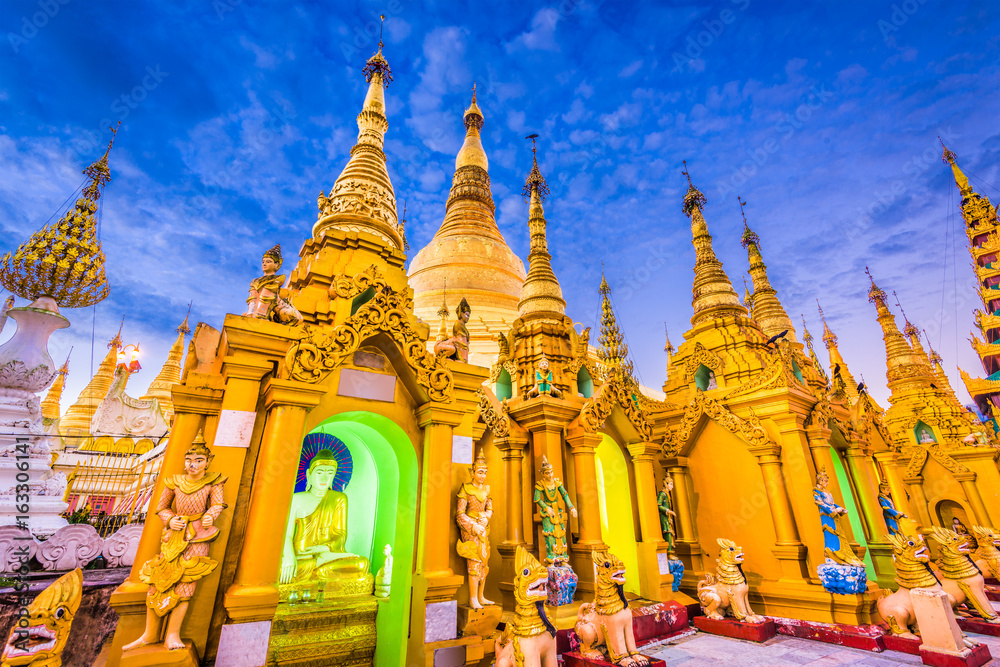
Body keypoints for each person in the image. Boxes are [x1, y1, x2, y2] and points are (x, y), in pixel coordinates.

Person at [124, 433, 227, 652]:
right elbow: (161, 507)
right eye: (189, 460)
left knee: (187, 583)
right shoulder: (174, 482)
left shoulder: (214, 481)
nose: (193, 465)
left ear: (208, 462)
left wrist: (210, 515)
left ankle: (172, 633)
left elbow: (218, 504)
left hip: (199, 534)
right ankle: (150, 634)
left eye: (199, 460)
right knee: (158, 580)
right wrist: (170, 519)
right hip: (174, 534)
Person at [279, 449, 370, 585]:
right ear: (309, 474)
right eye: (319, 472)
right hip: (302, 556)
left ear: (334, 476)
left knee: (361, 564)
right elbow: (286, 535)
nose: (324, 478)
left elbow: (340, 535)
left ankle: (322, 561)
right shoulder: (296, 499)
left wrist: (324, 548)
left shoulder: (339, 498)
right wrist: (288, 556)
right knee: (280, 571)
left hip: (328, 554)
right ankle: (320, 562)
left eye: (330, 473)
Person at [456, 448, 494, 608]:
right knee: (474, 562)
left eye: (484, 472)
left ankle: (481, 595)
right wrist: (473, 526)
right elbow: (460, 513)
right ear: (472, 473)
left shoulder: (486, 489)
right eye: (479, 472)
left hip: (484, 528)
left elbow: (490, 508)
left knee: (484, 561)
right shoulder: (465, 488)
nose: (482, 476)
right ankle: (472, 598)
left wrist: (487, 517)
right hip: (470, 529)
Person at [813, 467, 863, 566]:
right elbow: (819, 502)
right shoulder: (817, 491)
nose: (827, 483)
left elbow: (832, 503)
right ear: (820, 480)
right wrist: (833, 510)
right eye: (825, 481)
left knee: (839, 534)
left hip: (833, 515)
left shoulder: (827, 492)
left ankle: (841, 553)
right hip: (826, 515)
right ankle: (832, 552)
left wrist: (841, 509)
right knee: (831, 532)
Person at [244, 244, 302, 324]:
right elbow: (253, 298)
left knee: (287, 314)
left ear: (277, 265)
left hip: (273, 310)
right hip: (260, 309)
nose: (264, 264)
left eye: (268, 262)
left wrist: (259, 315)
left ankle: (261, 316)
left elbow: (265, 298)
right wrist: (250, 314)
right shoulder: (255, 281)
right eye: (263, 262)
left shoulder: (277, 279)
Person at [534, 455, 577, 565]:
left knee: (561, 534)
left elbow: (565, 495)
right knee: (550, 536)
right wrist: (546, 508)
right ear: (543, 474)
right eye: (547, 473)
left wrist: (571, 508)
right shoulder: (541, 485)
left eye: (551, 472)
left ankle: (563, 559)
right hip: (548, 513)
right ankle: (551, 559)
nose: (550, 475)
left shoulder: (557, 483)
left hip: (557, 512)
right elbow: (537, 499)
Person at [657, 477, 677, 554]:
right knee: (667, 532)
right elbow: (658, 505)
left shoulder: (667, 494)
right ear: (666, 484)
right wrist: (668, 511)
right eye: (671, 484)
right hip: (664, 516)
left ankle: (671, 550)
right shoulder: (662, 494)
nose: (672, 486)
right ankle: (669, 552)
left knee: (671, 533)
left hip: (667, 516)